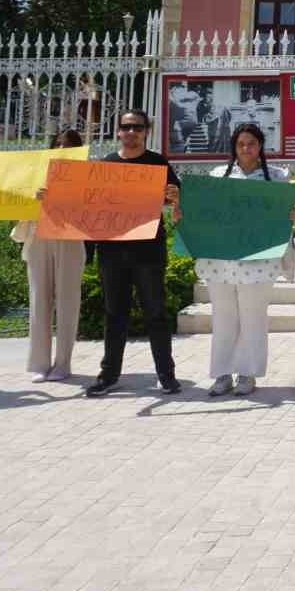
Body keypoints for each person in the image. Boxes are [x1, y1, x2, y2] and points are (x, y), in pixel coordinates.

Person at [186, 122, 295, 397]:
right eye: (241, 144)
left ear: (260, 146)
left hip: (259, 261)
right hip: (221, 261)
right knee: (223, 317)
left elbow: (285, 213)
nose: (246, 148)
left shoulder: (277, 178)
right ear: (234, 148)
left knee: (253, 317)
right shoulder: (218, 175)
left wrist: (292, 214)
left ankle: (248, 373)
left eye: (251, 143)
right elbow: (205, 214)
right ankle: (222, 374)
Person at [85, 109, 183, 397]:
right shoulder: (106, 165)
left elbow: (178, 200)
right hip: (112, 250)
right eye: (126, 127)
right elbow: (89, 205)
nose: (131, 132)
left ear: (146, 132)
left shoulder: (158, 163)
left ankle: (166, 375)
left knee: (155, 312)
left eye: (137, 127)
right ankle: (109, 375)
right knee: (114, 313)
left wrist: (175, 197)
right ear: (118, 131)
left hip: (148, 250)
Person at [15, 128, 86, 383]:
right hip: (39, 236)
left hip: (70, 238)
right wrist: (35, 197)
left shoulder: (87, 175)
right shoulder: (36, 171)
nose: (62, 149)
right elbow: (16, 200)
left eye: (68, 145)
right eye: (58, 143)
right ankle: (39, 363)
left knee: (68, 301)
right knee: (39, 299)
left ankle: (63, 364)